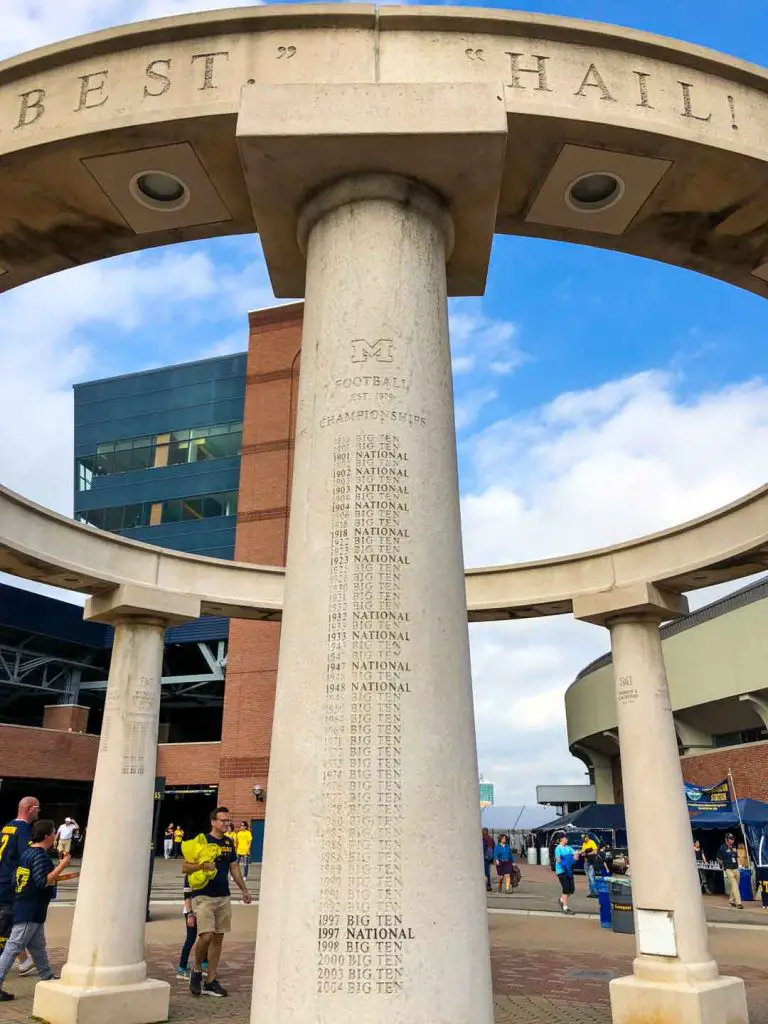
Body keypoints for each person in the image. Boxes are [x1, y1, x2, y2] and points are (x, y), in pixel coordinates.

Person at [0, 819, 72, 1001]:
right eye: (54, 832)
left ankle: (47, 977)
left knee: (38, 946)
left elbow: (16, 879)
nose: (55, 835)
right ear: (48, 835)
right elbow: (42, 881)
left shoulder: (28, 853)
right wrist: (61, 867)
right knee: (13, 947)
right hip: (30, 910)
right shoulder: (40, 856)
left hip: (29, 908)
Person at [184, 807, 251, 998]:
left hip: (223, 896)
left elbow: (234, 868)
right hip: (203, 895)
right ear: (213, 822)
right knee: (206, 936)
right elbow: (185, 867)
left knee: (218, 938)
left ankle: (211, 980)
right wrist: (202, 865)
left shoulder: (229, 843)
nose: (225, 823)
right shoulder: (201, 841)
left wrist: (244, 890)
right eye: (222, 820)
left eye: (227, 820)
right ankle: (197, 971)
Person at [0, 797, 40, 974]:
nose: (39, 812)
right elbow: (27, 858)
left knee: (15, 925)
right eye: (38, 808)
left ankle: (24, 960)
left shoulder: (7, 826)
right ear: (30, 809)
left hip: (2, 880)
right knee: (8, 926)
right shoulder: (24, 830)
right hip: (9, 886)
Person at [717, 833, 743, 909]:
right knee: (734, 884)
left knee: (735, 885)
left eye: (733, 839)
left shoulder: (734, 846)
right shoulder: (722, 848)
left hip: (735, 868)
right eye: (730, 839)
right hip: (728, 869)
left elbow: (736, 856)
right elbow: (718, 857)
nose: (732, 840)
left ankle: (731, 901)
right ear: (726, 839)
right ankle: (738, 903)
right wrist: (723, 865)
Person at [554, 835, 576, 914]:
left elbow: (575, 856)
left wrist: (577, 854)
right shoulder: (558, 848)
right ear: (561, 839)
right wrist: (566, 862)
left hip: (569, 871)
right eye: (565, 838)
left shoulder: (569, 848)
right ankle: (565, 908)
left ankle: (561, 900)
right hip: (561, 871)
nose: (567, 839)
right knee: (566, 889)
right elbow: (559, 860)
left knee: (571, 890)